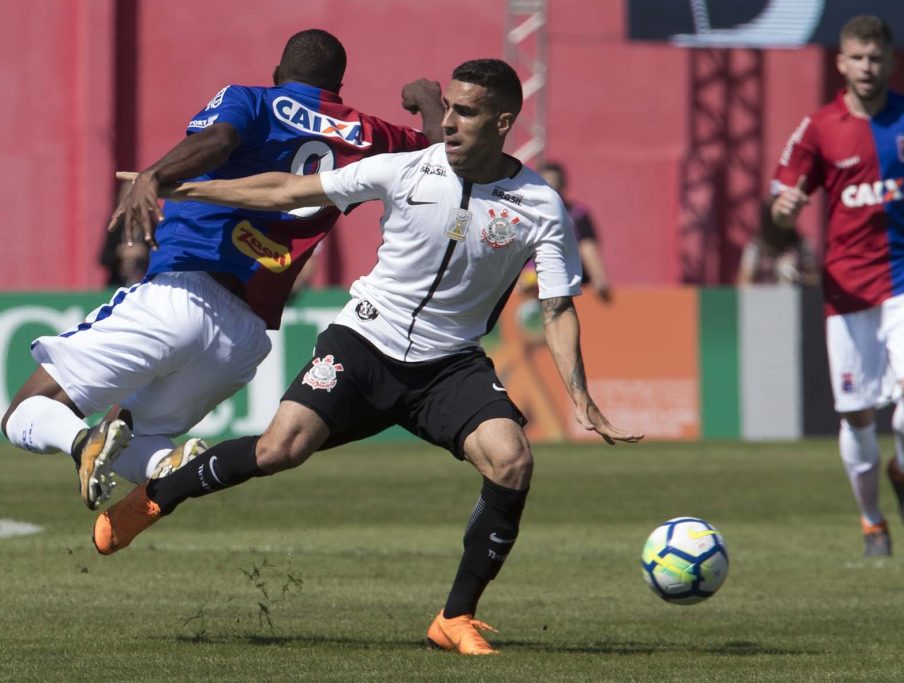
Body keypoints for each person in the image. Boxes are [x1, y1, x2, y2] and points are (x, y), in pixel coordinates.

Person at [97, 58, 644, 656]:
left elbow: (561, 308)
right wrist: (175, 183)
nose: (451, 123)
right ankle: (157, 496)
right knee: (279, 450)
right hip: (363, 345)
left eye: (467, 112)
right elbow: (285, 190)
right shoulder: (403, 170)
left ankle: (454, 619)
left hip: (449, 365)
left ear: (503, 121)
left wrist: (582, 399)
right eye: (450, 109)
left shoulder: (541, 205)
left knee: (512, 462)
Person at [0, 29, 443, 511]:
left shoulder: (251, 100)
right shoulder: (374, 136)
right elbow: (443, 161)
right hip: (244, 338)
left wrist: (155, 175)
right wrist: (429, 102)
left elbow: (222, 137)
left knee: (25, 410)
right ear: (339, 86)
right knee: (135, 435)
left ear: (278, 76)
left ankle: (82, 445)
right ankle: (167, 465)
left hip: (182, 291)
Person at [771, 15, 904, 556]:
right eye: (857, 57)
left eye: (876, 58)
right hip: (848, 288)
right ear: (841, 62)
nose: (867, 67)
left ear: (890, 61)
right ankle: (872, 521)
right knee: (858, 415)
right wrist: (784, 210)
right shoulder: (818, 127)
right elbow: (781, 204)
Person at [539, 162, 612, 302]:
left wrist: (599, 277)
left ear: (563, 185)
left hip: (565, 278)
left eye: (554, 184)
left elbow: (587, 245)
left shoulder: (577, 214)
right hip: (532, 281)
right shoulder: (526, 215)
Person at [736, 200, 819, 285]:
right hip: (765, 296)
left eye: (784, 220)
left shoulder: (802, 246)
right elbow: (744, 281)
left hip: (796, 295)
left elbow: (814, 279)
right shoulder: (756, 247)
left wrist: (798, 277)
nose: (779, 228)